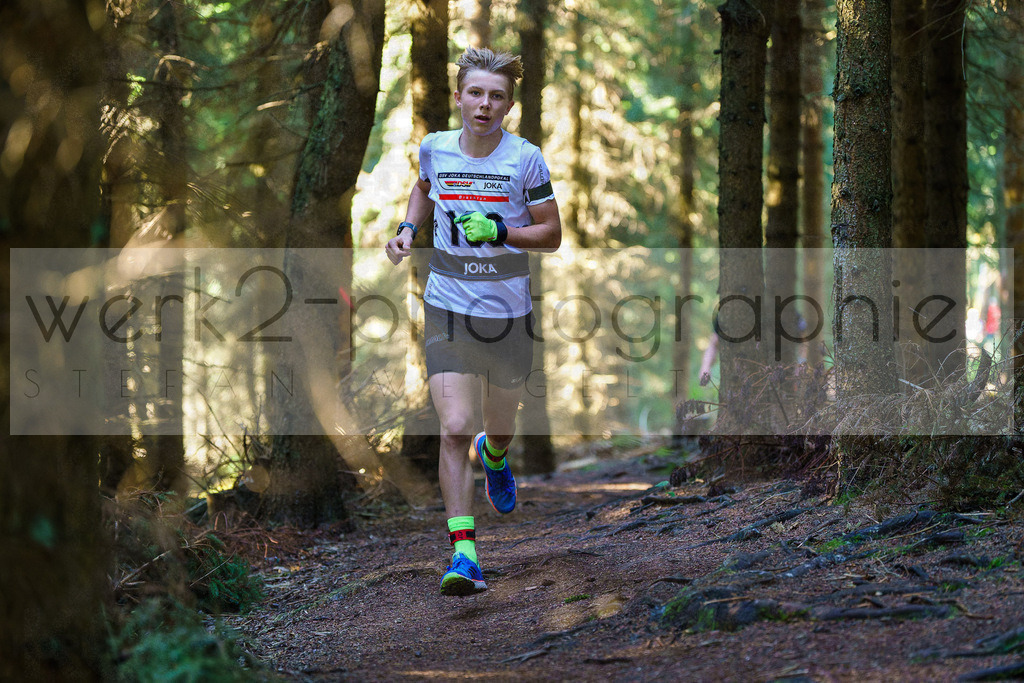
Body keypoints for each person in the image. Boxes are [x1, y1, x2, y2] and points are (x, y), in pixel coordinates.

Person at [385, 47, 561, 596]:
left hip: (508, 315)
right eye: (476, 93)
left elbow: (551, 233)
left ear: (509, 106)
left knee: (496, 427)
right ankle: (464, 553)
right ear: (460, 96)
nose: (485, 105)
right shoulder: (435, 148)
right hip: (447, 308)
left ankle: (497, 454)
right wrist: (408, 229)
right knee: (455, 425)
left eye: (497, 97)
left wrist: (502, 232)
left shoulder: (525, 159)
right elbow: (423, 189)